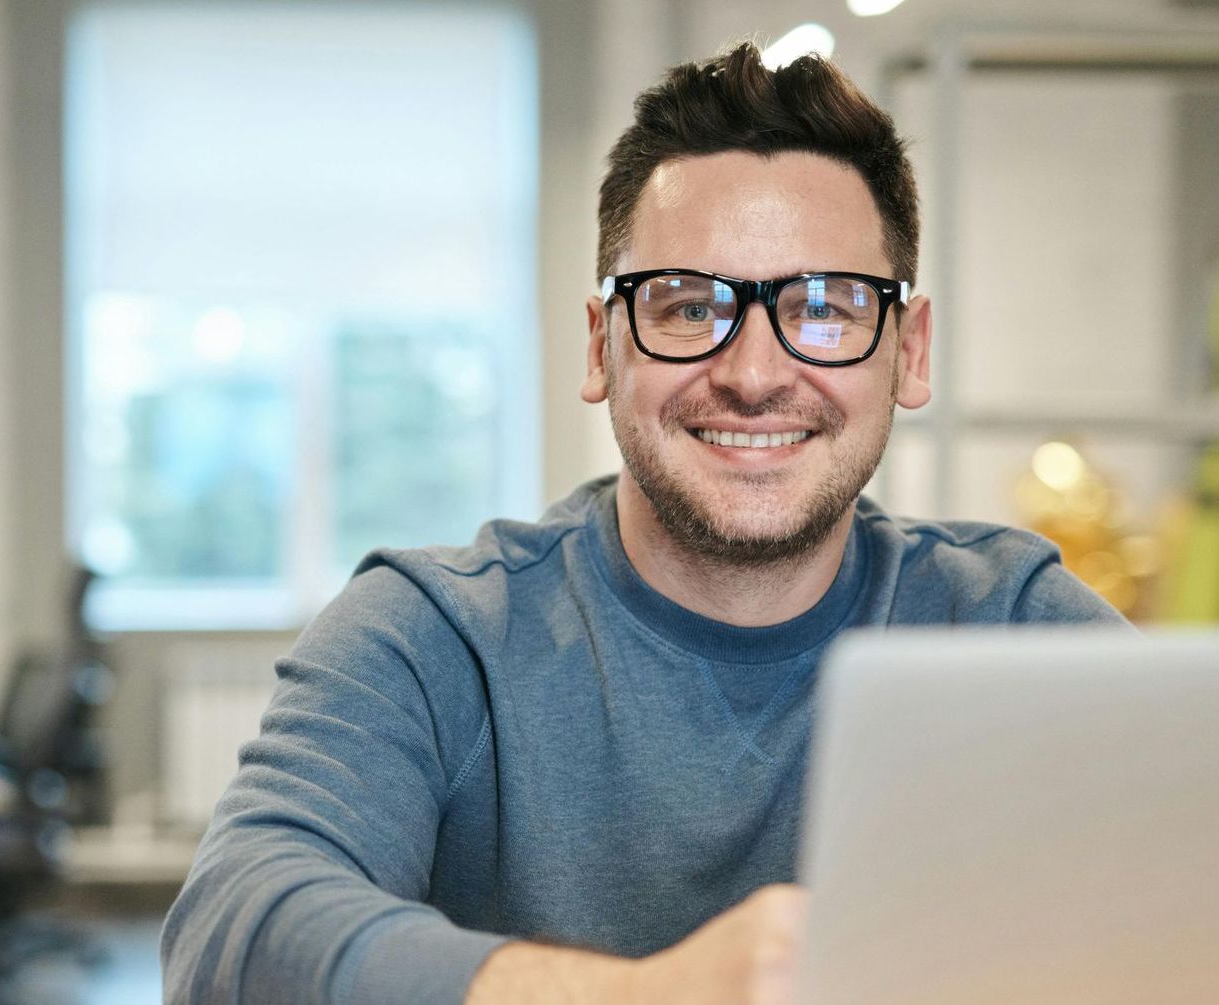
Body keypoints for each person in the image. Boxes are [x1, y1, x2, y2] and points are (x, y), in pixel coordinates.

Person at [161, 41, 1126, 1005]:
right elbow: (233, 938)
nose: (754, 375)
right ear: (601, 346)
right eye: (687, 307)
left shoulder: (1012, 628)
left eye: (823, 308)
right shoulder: (437, 636)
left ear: (908, 352)